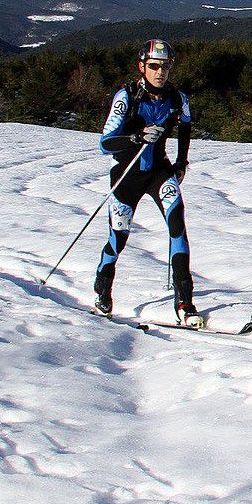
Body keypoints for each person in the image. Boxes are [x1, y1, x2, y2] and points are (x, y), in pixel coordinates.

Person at [92, 39, 200, 327]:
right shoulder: (126, 97)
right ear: (142, 67)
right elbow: (105, 143)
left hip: (159, 172)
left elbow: (186, 127)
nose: (160, 72)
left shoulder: (177, 98)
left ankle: (185, 303)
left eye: (165, 67)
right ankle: (103, 289)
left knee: (177, 224)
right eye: (154, 66)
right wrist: (136, 137)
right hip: (127, 175)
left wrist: (181, 163)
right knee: (119, 238)